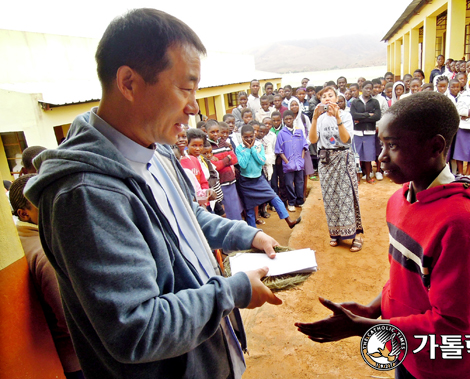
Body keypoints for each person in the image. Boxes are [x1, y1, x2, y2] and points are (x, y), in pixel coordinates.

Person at [24, 9, 283, 379]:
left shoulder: (156, 149)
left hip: (210, 358)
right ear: (129, 82)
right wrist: (233, 292)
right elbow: (136, 328)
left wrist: (248, 235)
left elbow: (187, 215)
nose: (194, 107)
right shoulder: (86, 194)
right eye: (185, 88)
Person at [296, 91, 470, 379]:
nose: (380, 157)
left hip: (449, 367)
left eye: (392, 146)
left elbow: (453, 327)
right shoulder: (400, 199)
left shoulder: (461, 226)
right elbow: (406, 277)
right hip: (405, 346)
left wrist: (361, 328)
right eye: (382, 144)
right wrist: (373, 308)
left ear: (435, 146)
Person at [10, 174, 83, 379]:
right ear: (24, 214)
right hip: (76, 359)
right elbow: (70, 320)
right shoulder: (45, 252)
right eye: (43, 204)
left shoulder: (23, 239)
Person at [308, 86, 363, 252]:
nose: (327, 99)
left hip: (343, 159)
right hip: (325, 161)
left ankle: (356, 235)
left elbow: (346, 140)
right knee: (330, 198)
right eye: (324, 96)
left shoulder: (346, 116)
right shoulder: (320, 118)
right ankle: (336, 233)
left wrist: (338, 118)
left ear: (337, 98)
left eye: (330, 95)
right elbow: (312, 140)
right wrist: (315, 119)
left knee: (347, 196)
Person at [236, 124, 301, 228]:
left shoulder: (259, 145)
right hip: (245, 182)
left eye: (251, 136)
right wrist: (248, 150)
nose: (249, 139)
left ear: (254, 135)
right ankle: (254, 234)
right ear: (242, 137)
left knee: (274, 197)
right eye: (246, 137)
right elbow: (242, 165)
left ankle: (289, 221)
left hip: (259, 180)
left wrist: (252, 149)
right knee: (249, 209)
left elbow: (262, 161)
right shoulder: (239, 149)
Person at [275, 110, 308, 212]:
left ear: (293, 119)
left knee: (299, 182)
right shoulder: (281, 133)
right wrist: (287, 162)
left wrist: (302, 159)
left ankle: (300, 201)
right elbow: (279, 150)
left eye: (290, 118)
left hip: (299, 163)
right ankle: (291, 202)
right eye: (286, 119)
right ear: (283, 120)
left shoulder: (299, 131)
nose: (288, 121)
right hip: (288, 164)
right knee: (289, 183)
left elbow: (304, 146)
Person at [350, 82, 381, 184]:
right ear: (361, 88)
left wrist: (361, 118)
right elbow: (353, 116)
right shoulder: (355, 102)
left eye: (370, 89)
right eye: (366, 88)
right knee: (357, 156)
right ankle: (358, 177)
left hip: (370, 132)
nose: (368, 90)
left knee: (368, 156)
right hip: (357, 133)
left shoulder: (375, 102)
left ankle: (368, 177)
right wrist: (368, 115)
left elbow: (377, 117)